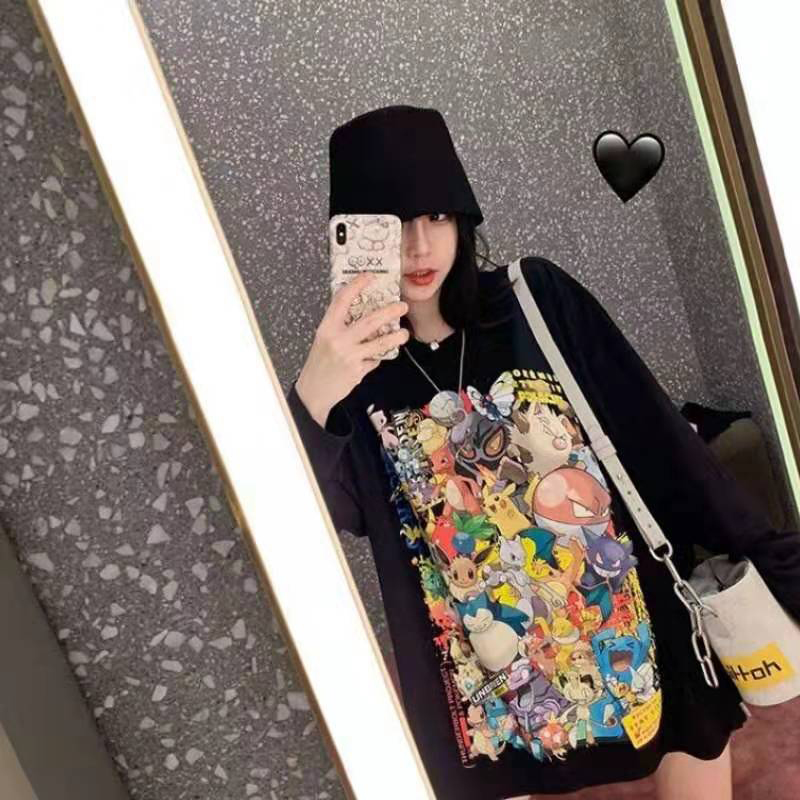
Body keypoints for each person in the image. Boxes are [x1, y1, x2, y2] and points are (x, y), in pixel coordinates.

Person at [286, 105, 800, 800]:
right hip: (486, 660)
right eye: (392, 223)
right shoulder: (352, 368)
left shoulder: (532, 299)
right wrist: (312, 397)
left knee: (690, 731)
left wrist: (768, 556)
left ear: (464, 217)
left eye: (436, 216)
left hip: (623, 611)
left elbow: (655, 437)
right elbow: (334, 520)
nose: (418, 246)